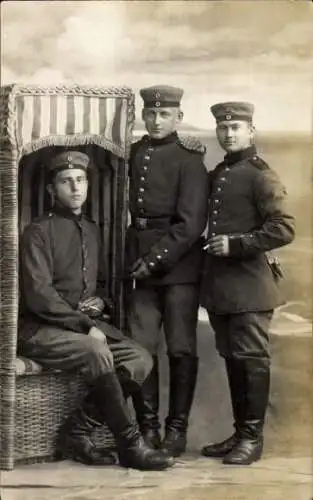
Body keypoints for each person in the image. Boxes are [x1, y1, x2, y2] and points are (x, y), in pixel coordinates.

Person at [18, 150, 174, 471]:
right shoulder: (37, 232)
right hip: (38, 329)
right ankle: (130, 445)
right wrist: (82, 323)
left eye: (80, 180)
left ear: (88, 185)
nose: (75, 188)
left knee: (140, 358)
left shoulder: (91, 229)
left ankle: (78, 430)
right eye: (66, 181)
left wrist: (102, 301)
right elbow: (39, 295)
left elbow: (99, 283)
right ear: (52, 190)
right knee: (95, 348)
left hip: (81, 326)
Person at [200, 102, 295, 465]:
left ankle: (252, 438)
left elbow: (283, 228)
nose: (229, 133)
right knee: (234, 360)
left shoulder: (260, 174)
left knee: (251, 360)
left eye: (236, 127)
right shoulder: (221, 172)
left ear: (251, 131)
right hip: (222, 287)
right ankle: (241, 433)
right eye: (223, 128)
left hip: (251, 288)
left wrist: (237, 243)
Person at [126, 85, 209, 457]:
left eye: (164, 114)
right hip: (137, 265)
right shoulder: (134, 153)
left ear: (178, 117)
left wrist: (154, 261)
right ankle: (148, 429)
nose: (156, 120)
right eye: (151, 114)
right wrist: (135, 261)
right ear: (143, 116)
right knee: (142, 350)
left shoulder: (189, 159)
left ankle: (176, 430)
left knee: (179, 349)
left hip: (178, 267)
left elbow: (191, 224)